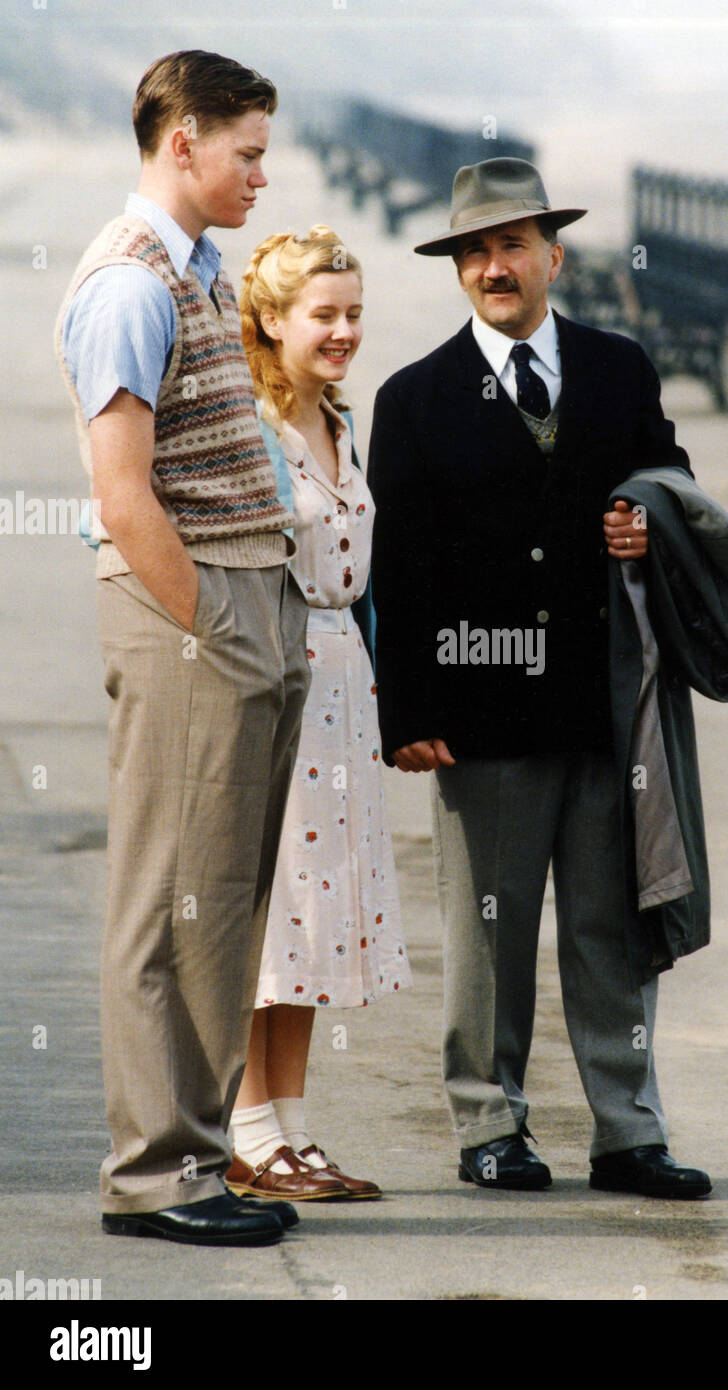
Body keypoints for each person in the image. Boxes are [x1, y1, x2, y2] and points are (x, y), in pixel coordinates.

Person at [368, 157, 713, 1197]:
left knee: (612, 928)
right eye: (473, 250)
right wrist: (409, 708)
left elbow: (673, 481)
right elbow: (400, 571)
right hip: (479, 714)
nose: (492, 266)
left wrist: (643, 516)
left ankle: (628, 1132)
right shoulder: (414, 398)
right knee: (488, 933)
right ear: (457, 271)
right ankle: (489, 1125)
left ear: (553, 255)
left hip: (605, 705)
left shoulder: (617, 368)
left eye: (511, 245)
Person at [55, 50, 310, 1245]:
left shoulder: (196, 271)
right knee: (170, 901)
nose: (263, 174)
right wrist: (211, 628)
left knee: (224, 901)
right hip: (192, 619)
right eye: (247, 152)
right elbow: (121, 495)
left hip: (249, 603)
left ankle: (195, 1159)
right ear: (184, 144)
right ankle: (156, 1174)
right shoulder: (130, 280)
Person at [227, 227, 411, 1202]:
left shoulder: (341, 419)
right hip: (278, 679)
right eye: (323, 315)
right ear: (270, 319)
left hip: (346, 685)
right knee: (270, 907)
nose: (343, 332)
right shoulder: (252, 425)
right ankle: (249, 1131)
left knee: (316, 911)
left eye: (353, 314)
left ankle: (291, 1128)